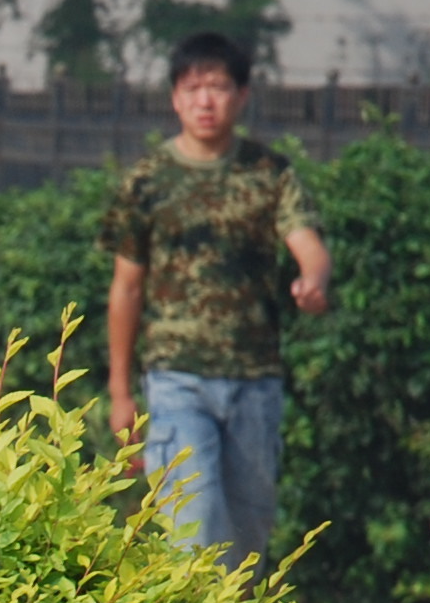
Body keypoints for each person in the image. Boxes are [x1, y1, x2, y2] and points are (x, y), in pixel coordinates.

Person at [101, 30, 331, 568]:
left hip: (254, 380)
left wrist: (313, 279)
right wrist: (119, 393)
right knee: (193, 527)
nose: (206, 100)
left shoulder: (268, 174)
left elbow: (309, 246)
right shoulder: (148, 182)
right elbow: (126, 287)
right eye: (193, 88)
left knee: (248, 537)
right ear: (174, 98)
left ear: (242, 96)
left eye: (220, 87)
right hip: (177, 378)